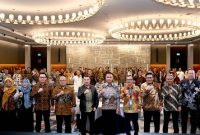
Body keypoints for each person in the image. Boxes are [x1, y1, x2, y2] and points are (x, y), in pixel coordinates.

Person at [180, 69, 200, 134]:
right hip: (184, 104)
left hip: (194, 105)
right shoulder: (183, 81)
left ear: (195, 74)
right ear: (187, 74)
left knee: (194, 121)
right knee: (183, 121)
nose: (191, 74)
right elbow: (180, 93)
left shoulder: (198, 82)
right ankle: (183, 133)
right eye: (190, 73)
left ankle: (193, 133)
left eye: (192, 73)